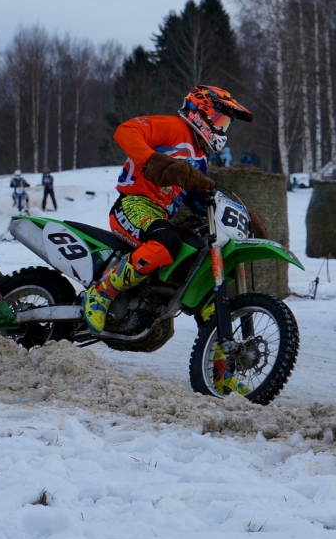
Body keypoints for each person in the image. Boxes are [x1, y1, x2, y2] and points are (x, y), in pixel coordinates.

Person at [84, 85, 252, 392]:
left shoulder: (200, 159)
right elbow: (126, 130)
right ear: (199, 111)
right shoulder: (173, 127)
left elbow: (198, 200)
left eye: (225, 122)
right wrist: (151, 160)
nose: (220, 126)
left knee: (207, 287)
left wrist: (245, 213)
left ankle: (221, 370)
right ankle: (102, 293)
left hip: (161, 215)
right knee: (166, 243)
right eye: (217, 117)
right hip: (133, 204)